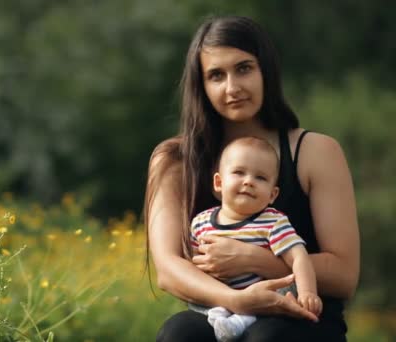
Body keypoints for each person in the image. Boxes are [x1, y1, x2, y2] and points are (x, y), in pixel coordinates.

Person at [144, 15, 359, 341]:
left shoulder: (316, 151)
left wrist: (255, 260)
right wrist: (235, 299)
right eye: (216, 75)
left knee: (265, 338)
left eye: (244, 68)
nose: (232, 88)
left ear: (266, 71)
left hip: (302, 314)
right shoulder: (174, 160)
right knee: (179, 334)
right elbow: (168, 269)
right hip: (219, 312)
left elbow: (344, 275)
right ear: (201, 85)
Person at [188, 136, 321, 341]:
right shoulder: (201, 222)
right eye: (239, 172)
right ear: (218, 182)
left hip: (263, 303)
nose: (248, 181)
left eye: (261, 178)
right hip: (217, 298)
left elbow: (299, 258)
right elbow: (192, 264)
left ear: (272, 195)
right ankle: (221, 316)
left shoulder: (272, 223)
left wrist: (308, 292)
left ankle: (237, 322)